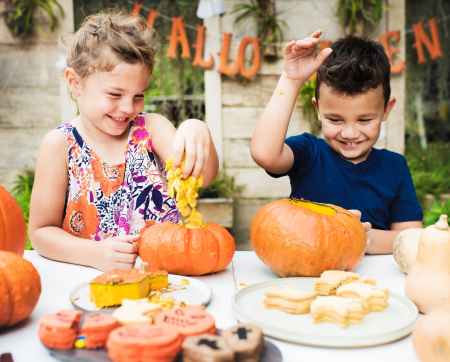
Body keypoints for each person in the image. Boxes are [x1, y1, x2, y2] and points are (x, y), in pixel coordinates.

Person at [29, 12, 218, 271]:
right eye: (114, 94)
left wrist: (198, 131)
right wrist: (94, 254)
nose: (128, 108)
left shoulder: (152, 129)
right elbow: (41, 232)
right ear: (75, 83)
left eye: (138, 96)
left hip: (165, 281)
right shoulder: (60, 145)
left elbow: (203, 177)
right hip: (89, 285)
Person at [250, 31, 422, 254]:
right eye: (335, 119)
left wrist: (364, 238)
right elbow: (265, 154)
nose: (350, 133)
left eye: (365, 119)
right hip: (305, 273)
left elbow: (412, 238)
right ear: (318, 110)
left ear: (386, 110)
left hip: (371, 282)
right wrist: (291, 81)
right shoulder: (309, 153)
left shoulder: (395, 166)